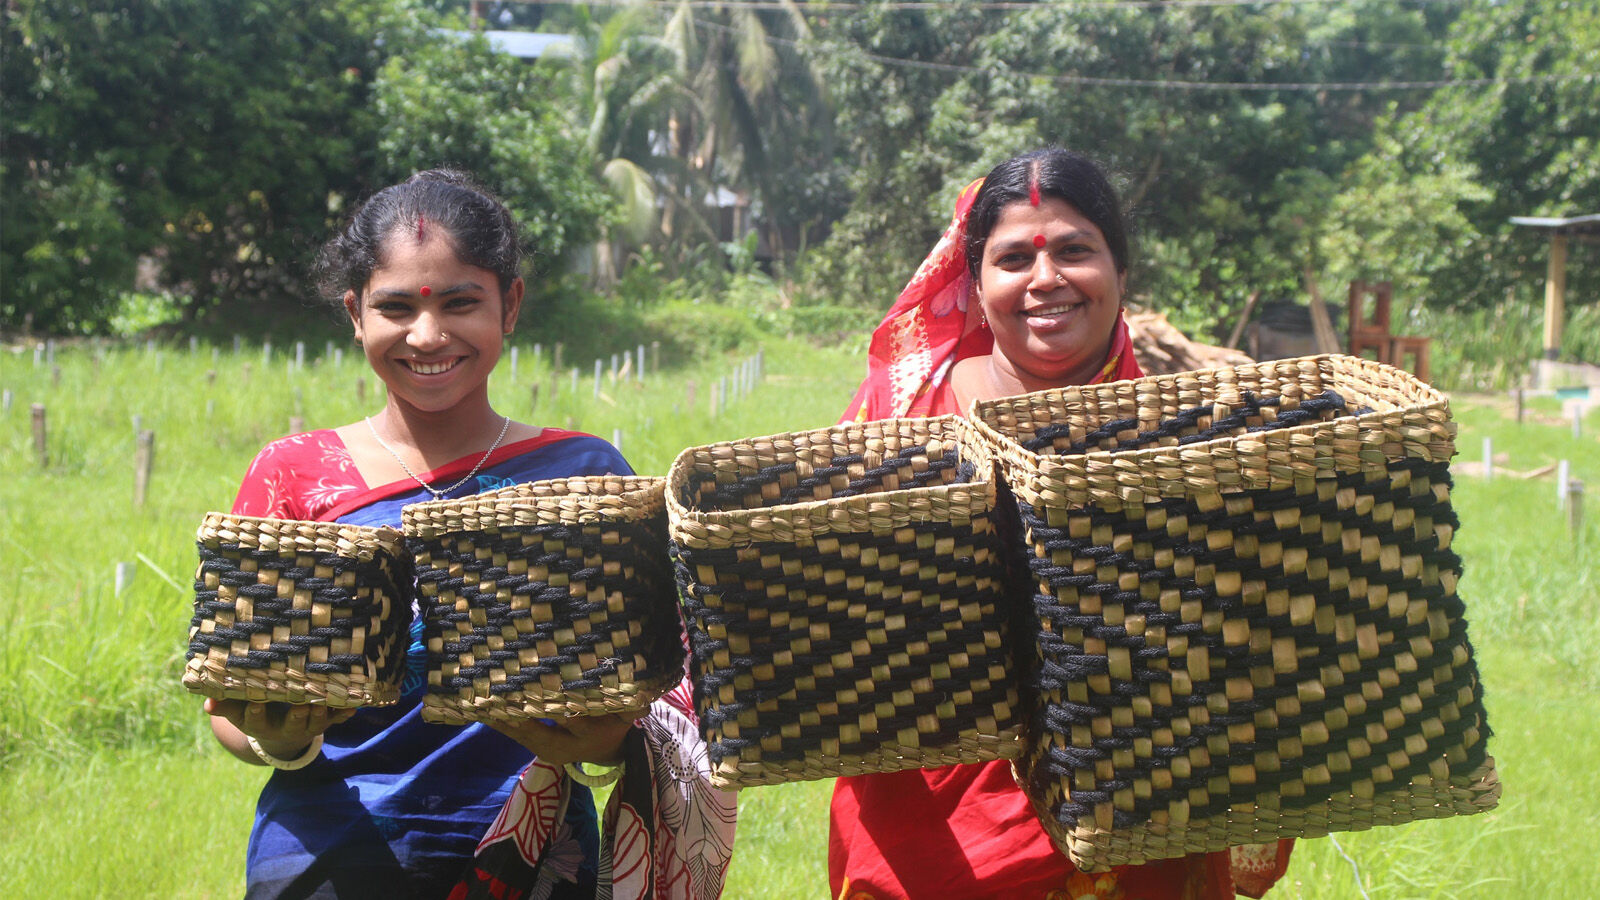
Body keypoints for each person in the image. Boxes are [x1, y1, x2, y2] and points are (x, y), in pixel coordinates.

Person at [203, 170, 736, 900]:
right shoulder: (292, 476)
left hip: (537, 851)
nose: (428, 335)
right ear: (355, 313)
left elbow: (663, 687)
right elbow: (232, 706)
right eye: (396, 307)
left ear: (509, 305)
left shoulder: (584, 475)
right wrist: (281, 738)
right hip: (328, 853)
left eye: (460, 303)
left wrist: (609, 743)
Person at [832, 149, 1293, 899]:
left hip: (1139, 816)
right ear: (976, 283)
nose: (1045, 279)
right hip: (935, 841)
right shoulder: (903, 418)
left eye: (1074, 250)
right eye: (1014, 258)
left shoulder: (1186, 435)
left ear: (1120, 270)